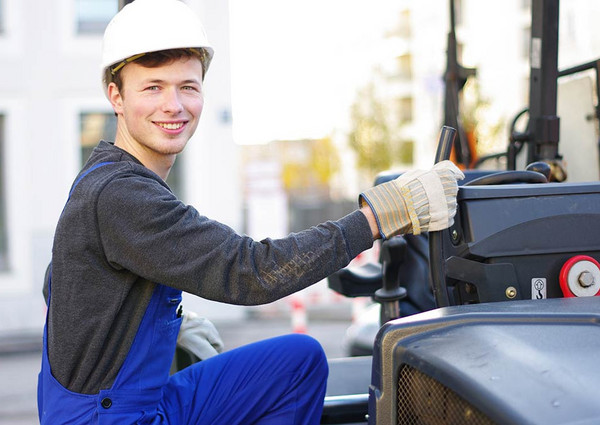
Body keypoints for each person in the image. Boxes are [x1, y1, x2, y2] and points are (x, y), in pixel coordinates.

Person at [37, 0, 465, 424]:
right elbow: (253, 271)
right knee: (300, 364)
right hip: (110, 418)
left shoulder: (101, 176)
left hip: (127, 401)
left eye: (188, 86)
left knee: (295, 361)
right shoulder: (121, 194)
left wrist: (152, 331)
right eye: (153, 87)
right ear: (116, 95)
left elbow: (58, 284)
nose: (174, 105)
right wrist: (382, 214)